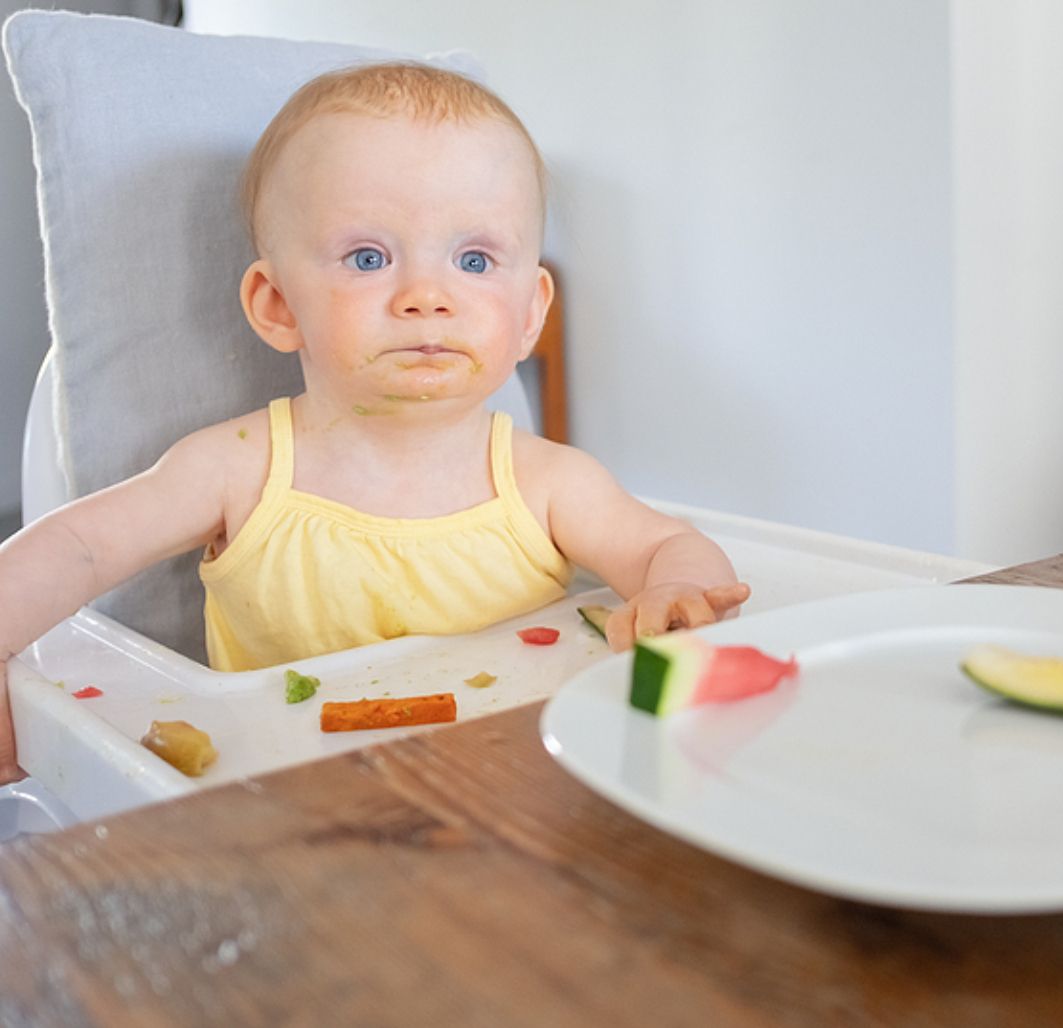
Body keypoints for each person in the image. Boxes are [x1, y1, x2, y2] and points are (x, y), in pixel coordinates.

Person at [0, 62, 749, 781]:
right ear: (278, 305)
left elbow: (669, 549)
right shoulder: (239, 470)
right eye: (367, 258)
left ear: (530, 315)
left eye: (476, 260)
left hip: (520, 797)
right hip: (290, 811)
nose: (427, 295)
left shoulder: (547, 482)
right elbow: (79, 547)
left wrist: (673, 595)